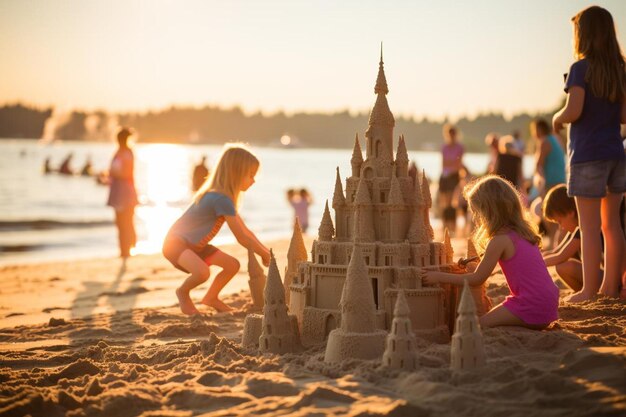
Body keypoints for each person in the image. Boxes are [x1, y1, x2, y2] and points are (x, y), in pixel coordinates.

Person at [552, 6, 626, 302]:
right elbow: (623, 116)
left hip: (587, 156)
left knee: (590, 227)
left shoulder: (581, 69)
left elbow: (574, 110)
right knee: (613, 226)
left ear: (584, 35)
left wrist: (558, 118)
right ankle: (610, 288)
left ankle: (589, 290)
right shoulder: (620, 69)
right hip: (616, 155)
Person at [421, 175, 559, 329]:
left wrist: (438, 276)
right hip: (549, 304)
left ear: (489, 212)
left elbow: (477, 279)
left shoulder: (499, 240)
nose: (475, 217)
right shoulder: (523, 234)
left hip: (530, 305)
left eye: (476, 212)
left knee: (477, 326)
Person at [163, 144, 271, 315]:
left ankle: (211, 298)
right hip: (176, 244)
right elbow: (241, 237)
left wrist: (266, 251)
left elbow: (246, 231)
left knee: (232, 265)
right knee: (202, 272)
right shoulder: (220, 199)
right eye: (250, 175)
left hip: (195, 246)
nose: (253, 180)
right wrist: (263, 254)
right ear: (236, 174)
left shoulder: (224, 198)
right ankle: (182, 292)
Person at [541, 184, 603, 293]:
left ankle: (589, 293)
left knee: (565, 267)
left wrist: (532, 263)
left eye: (559, 221)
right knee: (561, 267)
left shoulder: (584, 230)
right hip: (600, 276)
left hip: (610, 278)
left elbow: (561, 256)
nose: (561, 227)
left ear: (570, 213)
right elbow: (555, 252)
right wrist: (533, 256)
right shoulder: (576, 230)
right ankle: (585, 293)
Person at [530, 118, 566, 250]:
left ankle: (552, 243)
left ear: (539, 130)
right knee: (558, 213)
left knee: (548, 213)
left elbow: (538, 164)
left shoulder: (544, 141)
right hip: (561, 180)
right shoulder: (556, 139)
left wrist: (539, 185)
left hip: (551, 182)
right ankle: (556, 243)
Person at [107, 127, 138, 260]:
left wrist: (113, 173)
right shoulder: (123, 152)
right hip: (123, 190)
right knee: (123, 221)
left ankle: (126, 249)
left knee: (124, 221)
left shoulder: (125, 153)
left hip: (123, 191)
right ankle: (125, 249)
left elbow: (125, 173)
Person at [438, 124, 464, 234]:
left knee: (453, 202)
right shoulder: (444, 147)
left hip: (454, 177)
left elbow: (458, 164)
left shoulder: (460, 147)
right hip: (445, 176)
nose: (451, 136)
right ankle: (445, 226)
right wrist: (453, 163)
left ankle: (452, 227)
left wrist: (452, 164)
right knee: (444, 203)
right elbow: (444, 164)